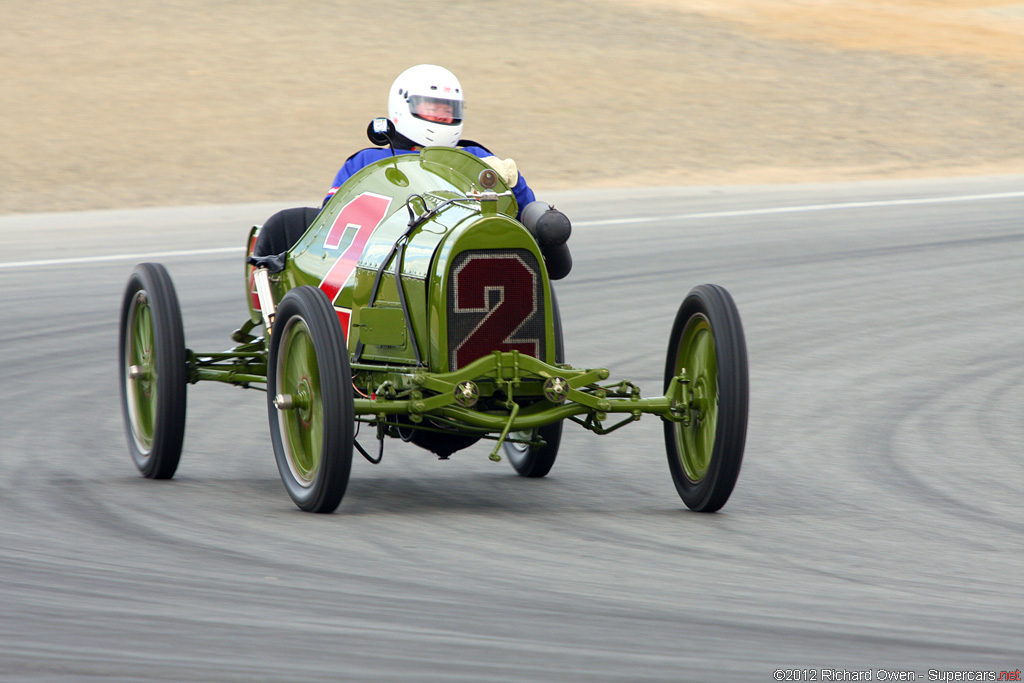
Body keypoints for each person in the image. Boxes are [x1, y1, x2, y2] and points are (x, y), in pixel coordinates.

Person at [251, 64, 570, 278]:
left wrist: (536, 214)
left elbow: (529, 219)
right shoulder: (363, 163)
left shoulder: (482, 159)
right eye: (432, 109)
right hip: (381, 278)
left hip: (469, 274)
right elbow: (329, 236)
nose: (441, 118)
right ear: (403, 106)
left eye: (448, 112)